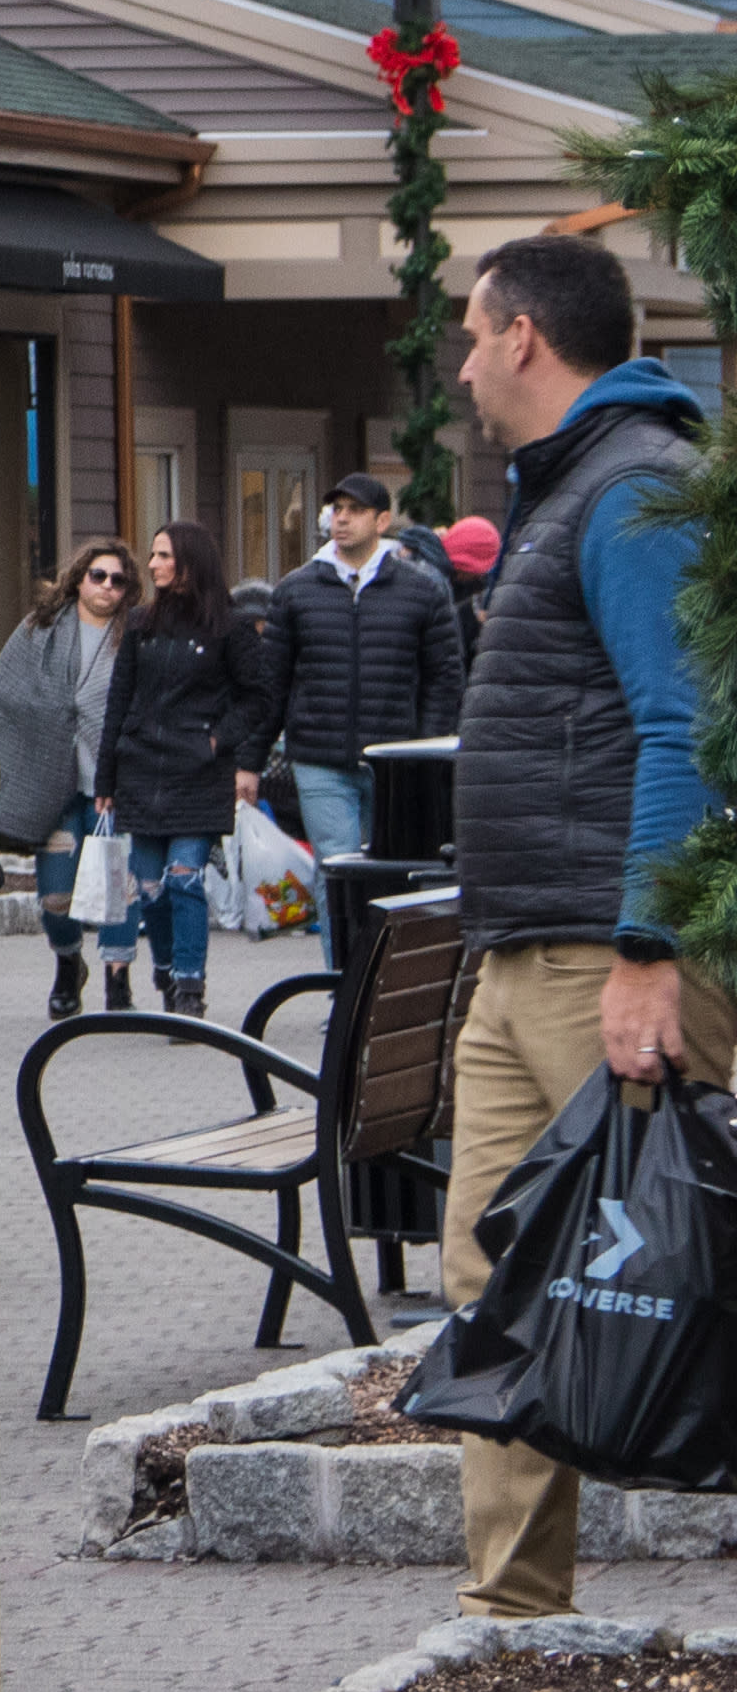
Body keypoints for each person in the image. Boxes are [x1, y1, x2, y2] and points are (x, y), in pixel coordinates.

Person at [443, 229, 737, 1618]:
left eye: (467, 328)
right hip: (524, 952)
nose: (457, 357)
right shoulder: (581, 491)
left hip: (596, 958)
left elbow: (687, 728)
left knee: (679, 1274)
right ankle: (509, 1622)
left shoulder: (632, 492)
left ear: (522, 338)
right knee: (500, 1287)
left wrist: (646, 951)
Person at [88, 521, 277, 1018]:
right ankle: (168, 970)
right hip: (141, 770)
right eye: (153, 556)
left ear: (190, 561)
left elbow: (258, 695)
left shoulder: (229, 627)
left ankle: (190, 987)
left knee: (185, 878)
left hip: (198, 772)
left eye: (164, 555)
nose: (152, 565)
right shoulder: (140, 623)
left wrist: (217, 739)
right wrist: (104, 777)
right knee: (149, 890)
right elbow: (117, 701)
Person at [272, 472, 466, 863]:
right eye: (337, 509)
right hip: (319, 757)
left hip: (394, 759)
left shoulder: (420, 591)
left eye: (355, 510)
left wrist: (423, 748)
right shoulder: (297, 589)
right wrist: (247, 759)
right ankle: (340, 929)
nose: (341, 519)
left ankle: (374, 929)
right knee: (336, 868)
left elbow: (444, 675)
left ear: (381, 521)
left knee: (390, 869)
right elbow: (272, 678)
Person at [0, 541, 136, 1019]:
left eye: (118, 580)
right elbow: (5, 692)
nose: (107, 587)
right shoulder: (41, 628)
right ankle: (69, 963)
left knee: (116, 886)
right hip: (50, 783)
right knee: (55, 893)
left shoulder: (134, 633)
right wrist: (48, 720)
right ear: (78, 578)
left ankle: (119, 983)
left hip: (110, 784)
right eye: (98, 575)